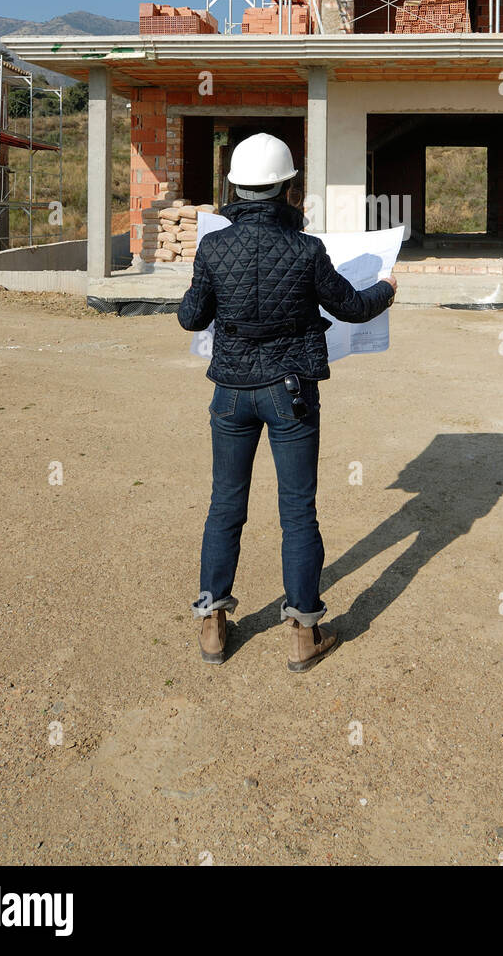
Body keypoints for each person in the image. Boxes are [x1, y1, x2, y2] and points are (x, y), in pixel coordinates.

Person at [177, 132, 397, 673]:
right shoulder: (306, 250)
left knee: (225, 504)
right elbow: (350, 307)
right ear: (286, 187)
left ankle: (212, 622)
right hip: (290, 394)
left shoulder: (213, 247)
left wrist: (205, 287)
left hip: (230, 393)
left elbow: (190, 317)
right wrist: (388, 286)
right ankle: (303, 630)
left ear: (234, 187)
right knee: (297, 510)